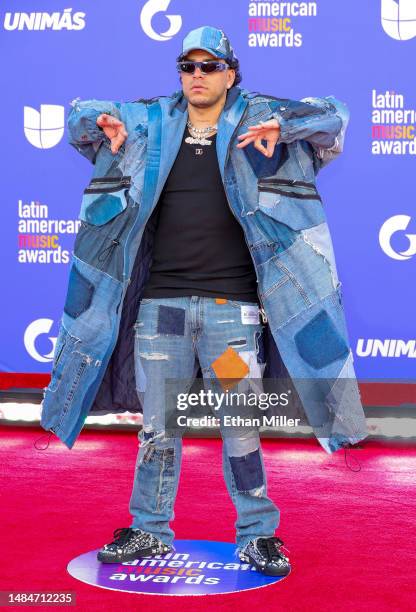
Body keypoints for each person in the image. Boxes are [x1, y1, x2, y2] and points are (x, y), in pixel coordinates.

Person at [40, 25, 368, 578]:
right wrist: (99, 119)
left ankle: (258, 534)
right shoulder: (147, 124)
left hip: (232, 311)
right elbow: (78, 116)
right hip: (159, 309)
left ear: (230, 72)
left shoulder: (260, 120)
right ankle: (148, 529)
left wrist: (284, 123)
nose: (197, 76)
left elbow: (335, 115)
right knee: (157, 428)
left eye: (209, 66)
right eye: (188, 66)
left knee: (240, 424)